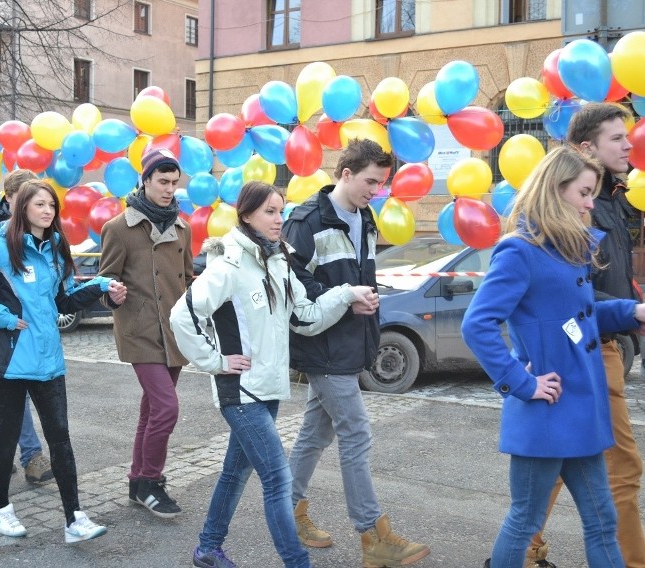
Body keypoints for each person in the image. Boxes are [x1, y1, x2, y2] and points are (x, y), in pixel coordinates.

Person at [170, 181, 379, 568]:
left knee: (234, 473)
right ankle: (297, 562)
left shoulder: (279, 260)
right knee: (279, 481)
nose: (278, 219)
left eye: (280, 211)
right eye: (269, 211)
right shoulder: (229, 263)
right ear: (246, 214)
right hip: (240, 391)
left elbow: (306, 317)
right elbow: (183, 316)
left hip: (267, 388)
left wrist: (346, 294)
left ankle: (207, 548)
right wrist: (215, 361)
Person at [462, 146, 645, 567]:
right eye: (583, 192)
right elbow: (478, 324)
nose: (588, 203)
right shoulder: (521, 250)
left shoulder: (567, 249)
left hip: (580, 408)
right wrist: (522, 383)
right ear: (554, 188)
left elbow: (577, 316)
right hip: (546, 411)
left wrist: (630, 311)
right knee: (525, 521)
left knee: (602, 521)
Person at [282, 139, 430, 567]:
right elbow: (293, 290)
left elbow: (357, 275)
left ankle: (289, 511)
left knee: (315, 434)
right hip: (323, 346)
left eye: (382, 183)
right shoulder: (305, 220)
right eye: (371, 181)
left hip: (349, 342)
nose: (376, 190)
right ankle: (373, 536)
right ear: (345, 174)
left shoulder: (365, 216)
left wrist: (364, 298)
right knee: (356, 434)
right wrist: (347, 297)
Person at [0, 180, 123, 542]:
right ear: (22, 208)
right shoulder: (1, 247)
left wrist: (104, 284)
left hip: (48, 361)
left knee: (60, 439)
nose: (48, 211)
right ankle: (0, 510)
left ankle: (74, 518)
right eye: (40, 204)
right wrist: (3, 317)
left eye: (52, 205)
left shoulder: (57, 246)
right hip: (9, 361)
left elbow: (65, 300)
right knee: (8, 439)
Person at [522, 103, 644, 568]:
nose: (629, 144)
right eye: (617, 138)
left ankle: (519, 550)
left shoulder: (612, 197)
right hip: (588, 346)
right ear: (585, 147)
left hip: (604, 338)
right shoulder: (578, 205)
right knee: (621, 467)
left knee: (557, 465)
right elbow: (567, 292)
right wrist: (626, 312)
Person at [99, 148, 192, 518]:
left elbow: (186, 280)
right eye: (162, 182)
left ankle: (138, 482)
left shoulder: (182, 227)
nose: (169, 189)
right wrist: (112, 293)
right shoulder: (119, 228)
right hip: (139, 330)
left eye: (174, 182)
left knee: (152, 409)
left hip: (174, 331)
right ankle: (152, 481)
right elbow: (105, 281)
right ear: (146, 181)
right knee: (167, 408)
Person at [0, 169, 53, 485]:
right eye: (26, 199)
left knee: (10, 391)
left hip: (32, 323)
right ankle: (31, 456)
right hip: (0, 322)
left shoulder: (41, 231)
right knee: (18, 389)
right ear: (10, 198)